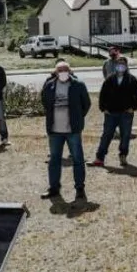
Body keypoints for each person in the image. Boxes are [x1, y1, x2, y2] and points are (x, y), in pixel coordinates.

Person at [42, 62, 91, 200]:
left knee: (78, 159)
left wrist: (77, 118)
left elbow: (86, 104)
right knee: (54, 160)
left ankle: (80, 188)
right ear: (55, 72)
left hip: (72, 130)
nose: (62, 72)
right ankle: (54, 188)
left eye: (65, 70)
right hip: (55, 131)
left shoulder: (78, 85)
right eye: (60, 70)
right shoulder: (49, 85)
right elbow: (45, 102)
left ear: (70, 71)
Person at [93, 56, 137, 168]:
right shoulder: (110, 79)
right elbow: (102, 94)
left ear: (126, 66)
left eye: (123, 64)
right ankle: (99, 158)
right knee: (106, 135)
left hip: (126, 113)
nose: (121, 66)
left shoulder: (131, 79)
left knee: (125, 136)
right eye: (119, 64)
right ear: (116, 66)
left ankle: (123, 156)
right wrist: (103, 108)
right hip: (111, 113)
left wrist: (133, 107)